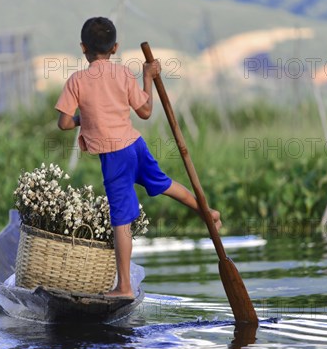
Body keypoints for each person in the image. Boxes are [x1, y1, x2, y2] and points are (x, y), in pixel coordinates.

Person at [55, 17, 221, 299]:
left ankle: (124, 287)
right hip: (135, 145)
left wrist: (85, 118)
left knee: (120, 220)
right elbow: (144, 111)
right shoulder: (122, 75)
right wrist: (147, 77)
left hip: (114, 156)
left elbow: (63, 123)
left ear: (83, 48)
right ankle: (207, 213)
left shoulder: (77, 81)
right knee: (166, 184)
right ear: (115, 48)